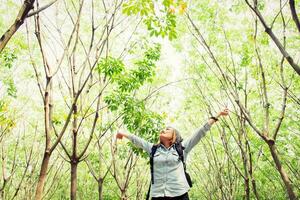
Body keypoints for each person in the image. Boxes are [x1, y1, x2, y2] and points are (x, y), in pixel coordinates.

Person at [116, 108, 229, 200]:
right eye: (163, 129)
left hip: (179, 194)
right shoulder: (153, 149)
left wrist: (217, 115)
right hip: (158, 195)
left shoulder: (182, 148)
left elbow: (200, 132)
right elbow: (138, 141)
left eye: (167, 129)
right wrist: (123, 134)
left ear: (174, 136)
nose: (163, 130)